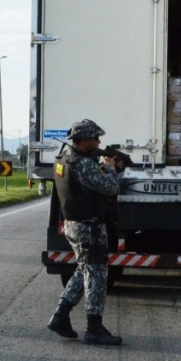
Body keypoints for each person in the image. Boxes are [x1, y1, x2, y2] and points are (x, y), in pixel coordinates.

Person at [46, 119, 123, 345]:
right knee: (97, 275)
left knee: (84, 270)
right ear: (85, 140)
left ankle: (60, 316)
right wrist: (109, 167)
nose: (99, 141)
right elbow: (110, 187)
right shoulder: (82, 164)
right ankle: (94, 328)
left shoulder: (64, 159)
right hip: (87, 227)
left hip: (75, 224)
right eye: (96, 138)